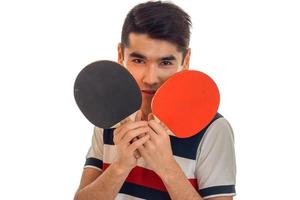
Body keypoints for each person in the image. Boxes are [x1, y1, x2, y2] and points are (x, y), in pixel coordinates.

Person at [74, 1, 236, 200]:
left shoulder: (213, 129)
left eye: (165, 62)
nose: (150, 78)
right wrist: (120, 166)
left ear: (185, 61)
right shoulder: (110, 115)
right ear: (120, 54)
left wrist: (167, 168)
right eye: (138, 60)